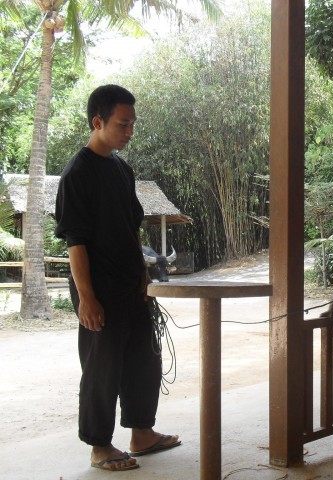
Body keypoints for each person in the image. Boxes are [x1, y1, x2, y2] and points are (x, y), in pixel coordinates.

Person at [55, 84, 180, 471]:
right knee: (102, 368)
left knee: (145, 359)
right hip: (99, 290)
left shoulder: (122, 169)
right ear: (98, 121)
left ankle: (142, 433)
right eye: (123, 124)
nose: (129, 132)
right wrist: (87, 298)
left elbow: (133, 230)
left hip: (131, 285)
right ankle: (99, 446)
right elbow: (76, 243)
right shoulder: (76, 174)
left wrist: (144, 278)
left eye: (132, 125)